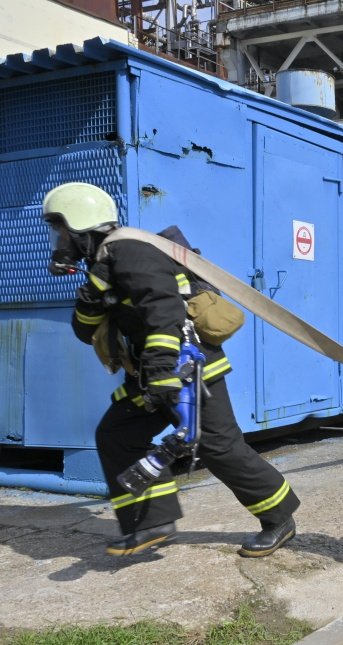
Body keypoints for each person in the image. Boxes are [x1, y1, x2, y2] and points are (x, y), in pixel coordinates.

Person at [42, 182, 300, 557]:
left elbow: (165, 310)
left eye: (61, 230)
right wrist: (92, 294)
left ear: (80, 225)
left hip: (187, 368)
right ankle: (151, 523)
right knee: (117, 434)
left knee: (218, 447)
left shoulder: (130, 250)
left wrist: (164, 373)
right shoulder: (103, 265)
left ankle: (279, 519)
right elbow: (85, 331)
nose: (59, 239)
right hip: (152, 373)